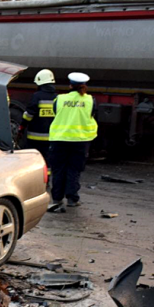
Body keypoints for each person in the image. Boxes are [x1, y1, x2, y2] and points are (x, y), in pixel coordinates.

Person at [47, 72, 98, 212]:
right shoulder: (90, 100)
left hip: (59, 139)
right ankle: (72, 198)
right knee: (74, 169)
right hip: (80, 140)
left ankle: (57, 198)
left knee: (58, 170)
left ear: (70, 85)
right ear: (85, 86)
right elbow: (93, 115)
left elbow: (56, 113)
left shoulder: (60, 99)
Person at [21, 69, 57, 165]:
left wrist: (22, 125)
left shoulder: (37, 96)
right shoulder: (57, 97)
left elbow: (29, 115)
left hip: (34, 137)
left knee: (33, 160)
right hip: (51, 137)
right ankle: (47, 178)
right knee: (47, 160)